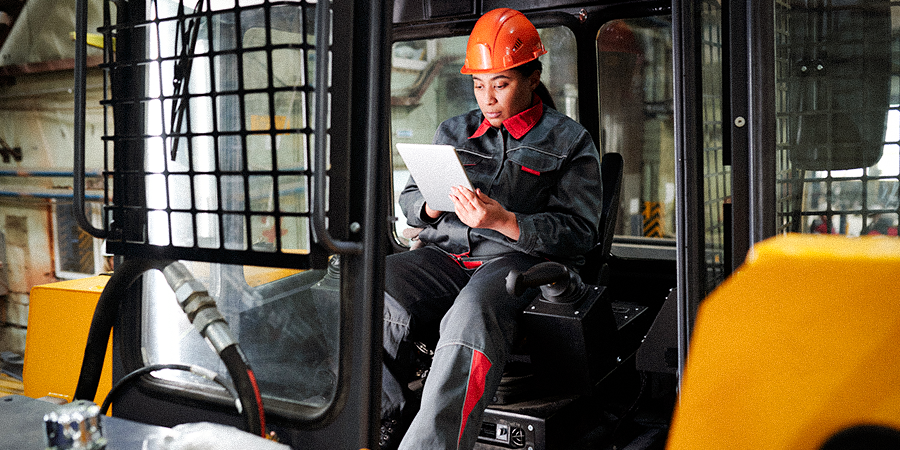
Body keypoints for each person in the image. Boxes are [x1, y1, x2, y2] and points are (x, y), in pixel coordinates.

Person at [381, 8, 603, 450]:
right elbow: (408, 202)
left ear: (532, 76)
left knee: (471, 318)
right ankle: (381, 426)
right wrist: (426, 206)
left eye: (500, 84)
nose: (488, 98)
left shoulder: (569, 142)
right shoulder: (453, 132)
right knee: (372, 285)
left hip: (510, 262)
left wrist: (504, 220)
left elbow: (579, 233)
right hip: (442, 255)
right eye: (479, 85)